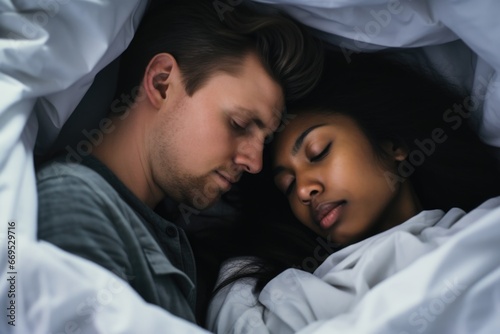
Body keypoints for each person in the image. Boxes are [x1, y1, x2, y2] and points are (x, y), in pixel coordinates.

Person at [35, 0, 323, 326]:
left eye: (264, 140)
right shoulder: (73, 205)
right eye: (239, 124)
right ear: (162, 83)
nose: (255, 163)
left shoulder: (157, 229)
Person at [205, 49, 500, 333]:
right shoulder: (288, 297)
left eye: (318, 152)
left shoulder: (484, 227)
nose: (305, 191)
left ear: (392, 147)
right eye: (289, 186)